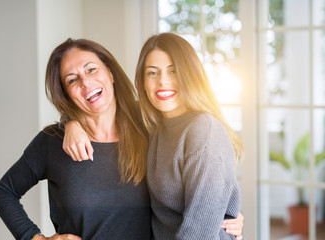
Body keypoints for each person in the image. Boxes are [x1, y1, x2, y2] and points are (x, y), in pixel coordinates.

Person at [63, 34, 245, 239]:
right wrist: (71, 123)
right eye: (152, 73)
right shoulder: (152, 125)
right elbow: (100, 108)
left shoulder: (203, 131)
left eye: (173, 71)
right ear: (142, 80)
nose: (163, 82)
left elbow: (198, 233)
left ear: (190, 75)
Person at [0, 38, 151, 240]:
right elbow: (4, 193)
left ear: (110, 72)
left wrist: (69, 121)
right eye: (72, 80)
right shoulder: (51, 142)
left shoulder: (147, 126)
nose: (85, 82)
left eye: (91, 70)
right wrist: (36, 239)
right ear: (65, 94)